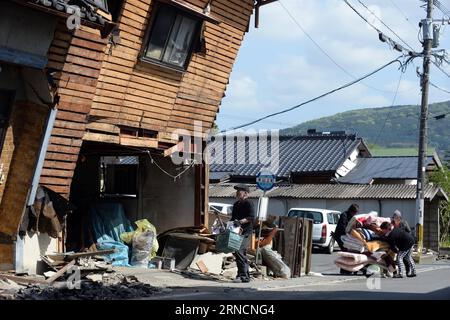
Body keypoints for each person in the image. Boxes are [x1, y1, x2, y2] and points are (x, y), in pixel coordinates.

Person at [230, 184, 255, 283]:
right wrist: (228, 225)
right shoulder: (236, 204)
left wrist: (240, 222)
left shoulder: (249, 203)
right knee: (238, 252)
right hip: (237, 232)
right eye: (237, 191)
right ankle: (242, 275)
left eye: (239, 191)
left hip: (246, 232)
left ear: (245, 193)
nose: (237, 193)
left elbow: (251, 217)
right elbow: (233, 219)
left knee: (239, 251)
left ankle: (243, 276)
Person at [331, 204, 359, 275]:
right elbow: (342, 227)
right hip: (341, 237)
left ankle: (347, 269)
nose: (355, 214)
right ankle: (344, 270)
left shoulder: (352, 217)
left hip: (346, 237)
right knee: (346, 252)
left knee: (348, 252)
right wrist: (349, 233)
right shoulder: (344, 215)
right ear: (351, 211)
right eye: (355, 212)